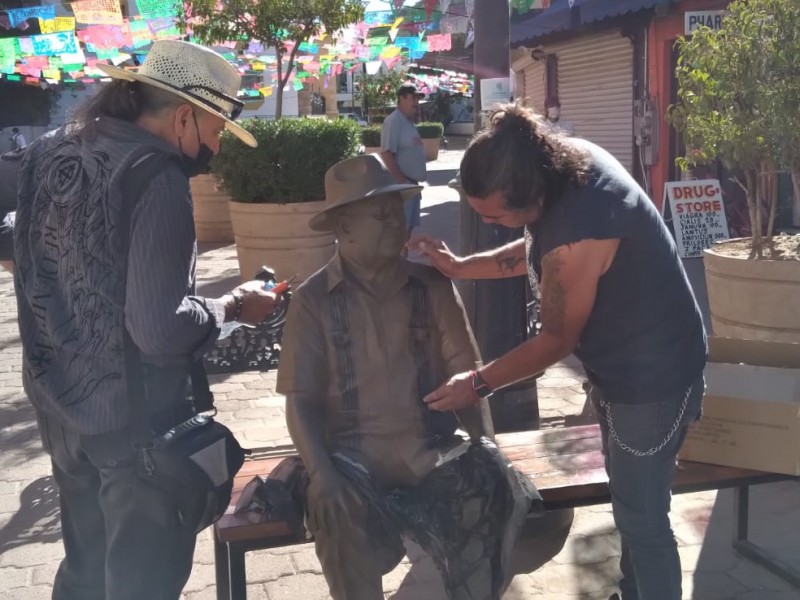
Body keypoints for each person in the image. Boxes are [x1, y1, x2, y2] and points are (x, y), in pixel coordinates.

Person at [11, 40, 278, 600]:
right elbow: (159, 328)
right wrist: (232, 308)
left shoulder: (49, 150)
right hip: (132, 426)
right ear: (184, 115)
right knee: (140, 584)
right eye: (216, 129)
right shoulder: (156, 177)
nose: (215, 145)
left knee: (84, 573)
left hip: (58, 407)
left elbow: (19, 242)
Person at [411, 102, 707, 600]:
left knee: (642, 519)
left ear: (529, 193)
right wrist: (462, 267)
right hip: (629, 367)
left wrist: (478, 382)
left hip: (653, 382)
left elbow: (555, 340)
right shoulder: (564, 167)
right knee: (634, 506)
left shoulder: (581, 229)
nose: (493, 224)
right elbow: (535, 252)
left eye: (496, 215)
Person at [276, 154, 537, 600]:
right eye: (379, 214)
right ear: (344, 228)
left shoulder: (433, 287)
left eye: (397, 210)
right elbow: (299, 399)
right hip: (351, 456)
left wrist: (486, 448)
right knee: (332, 507)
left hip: (429, 450)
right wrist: (321, 472)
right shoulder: (312, 301)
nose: (395, 222)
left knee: (499, 495)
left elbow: (467, 378)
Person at [380, 82, 427, 237]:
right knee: (399, 233)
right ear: (402, 98)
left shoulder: (408, 122)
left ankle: (402, 261)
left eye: (418, 99)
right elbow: (387, 154)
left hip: (411, 187)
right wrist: (401, 181)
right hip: (402, 188)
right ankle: (398, 261)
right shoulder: (394, 121)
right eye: (413, 98)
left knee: (406, 233)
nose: (416, 103)